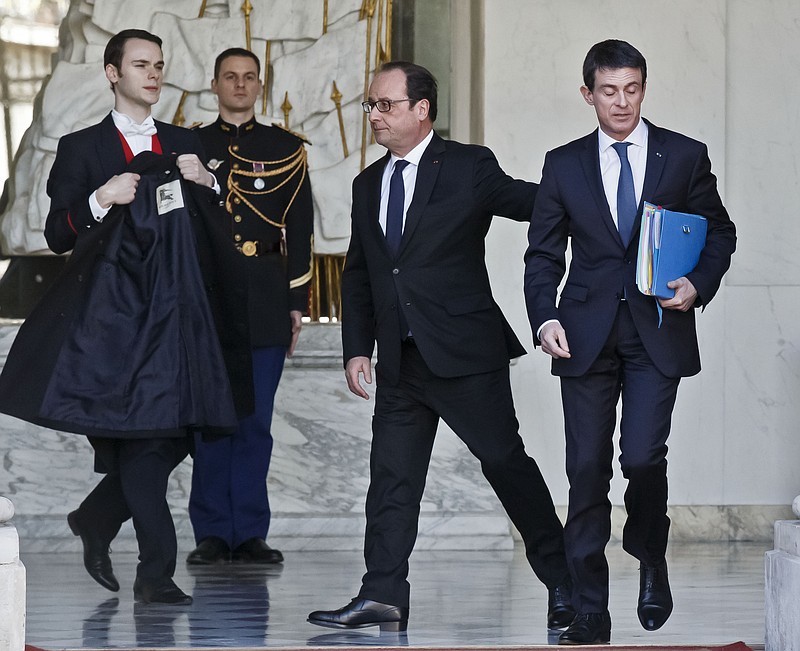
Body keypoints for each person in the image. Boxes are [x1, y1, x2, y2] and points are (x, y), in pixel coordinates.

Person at [307, 61, 574, 633]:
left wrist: (589, 188)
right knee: (392, 479)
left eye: (385, 105)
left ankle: (564, 581)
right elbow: (360, 273)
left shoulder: (469, 166)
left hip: (465, 355)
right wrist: (357, 347)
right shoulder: (367, 183)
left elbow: (535, 203)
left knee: (506, 465)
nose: (373, 115)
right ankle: (382, 594)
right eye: (370, 106)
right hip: (401, 361)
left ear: (422, 109)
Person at [7, 29, 231, 606]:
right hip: (109, 324)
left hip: (178, 315)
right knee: (141, 439)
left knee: (181, 432)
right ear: (113, 74)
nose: (152, 75)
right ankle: (155, 571)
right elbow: (57, 235)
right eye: (140, 65)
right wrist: (102, 197)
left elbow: (220, 230)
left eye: (158, 65)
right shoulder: (82, 147)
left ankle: (97, 517)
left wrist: (207, 182)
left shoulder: (187, 141)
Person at [523, 39, 736, 644]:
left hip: (657, 329)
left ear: (644, 88)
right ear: (588, 93)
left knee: (642, 458)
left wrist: (698, 282)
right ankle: (590, 608)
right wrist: (545, 318)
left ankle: (650, 555)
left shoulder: (683, 155)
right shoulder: (562, 164)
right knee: (585, 472)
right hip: (582, 336)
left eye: (633, 89)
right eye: (609, 91)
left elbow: (720, 230)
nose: (622, 102)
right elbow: (542, 255)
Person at [186, 48, 313, 566]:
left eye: (248, 78)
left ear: (260, 86)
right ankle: (212, 533)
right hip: (207, 298)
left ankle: (250, 534)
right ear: (213, 85)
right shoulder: (190, 145)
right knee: (212, 420)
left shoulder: (285, 147)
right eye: (229, 77)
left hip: (263, 296)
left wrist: (295, 302)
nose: (239, 85)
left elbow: (299, 230)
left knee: (256, 421)